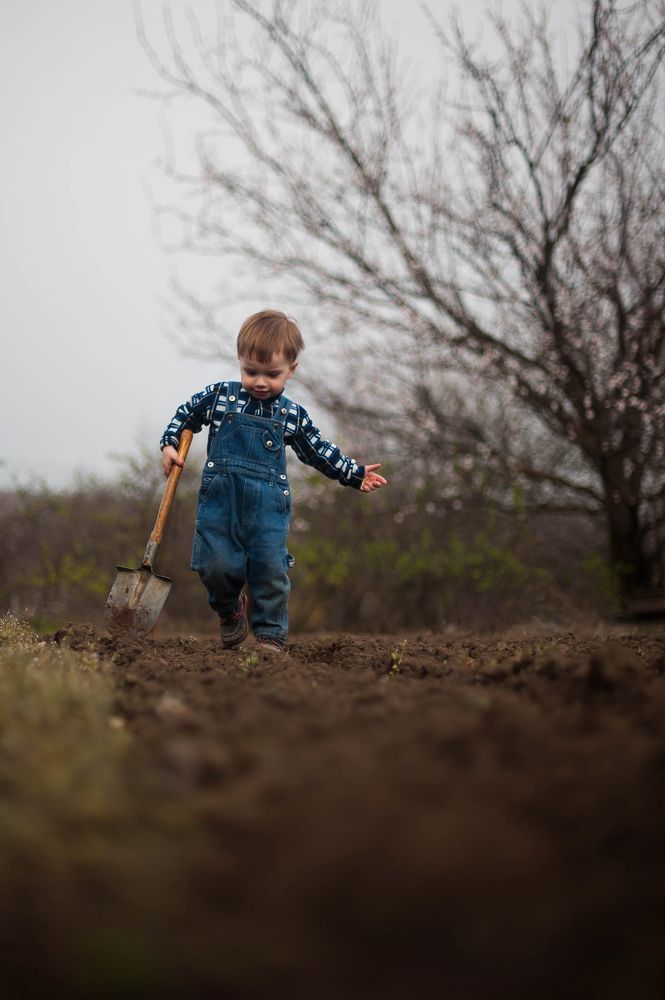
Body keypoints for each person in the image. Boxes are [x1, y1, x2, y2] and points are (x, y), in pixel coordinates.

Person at [160, 309, 387, 652]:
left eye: (272, 374)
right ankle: (229, 609)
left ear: (291, 370)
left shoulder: (292, 415)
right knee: (215, 564)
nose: (260, 381)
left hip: (267, 507)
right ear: (240, 362)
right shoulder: (220, 396)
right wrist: (169, 444)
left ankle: (270, 635)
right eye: (251, 371)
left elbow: (318, 451)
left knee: (270, 569)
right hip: (220, 503)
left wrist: (353, 473)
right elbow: (185, 414)